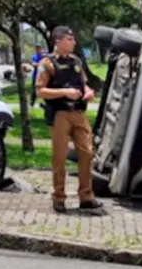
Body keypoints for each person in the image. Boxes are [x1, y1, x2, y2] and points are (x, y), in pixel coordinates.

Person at [35, 26, 104, 213]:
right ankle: (59, 197)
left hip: (78, 113)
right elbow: (40, 91)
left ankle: (86, 196)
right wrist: (65, 92)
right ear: (58, 41)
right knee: (60, 156)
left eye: (73, 39)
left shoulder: (76, 61)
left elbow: (84, 84)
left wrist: (88, 92)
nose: (73, 42)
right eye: (69, 39)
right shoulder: (47, 63)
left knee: (87, 153)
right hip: (60, 114)